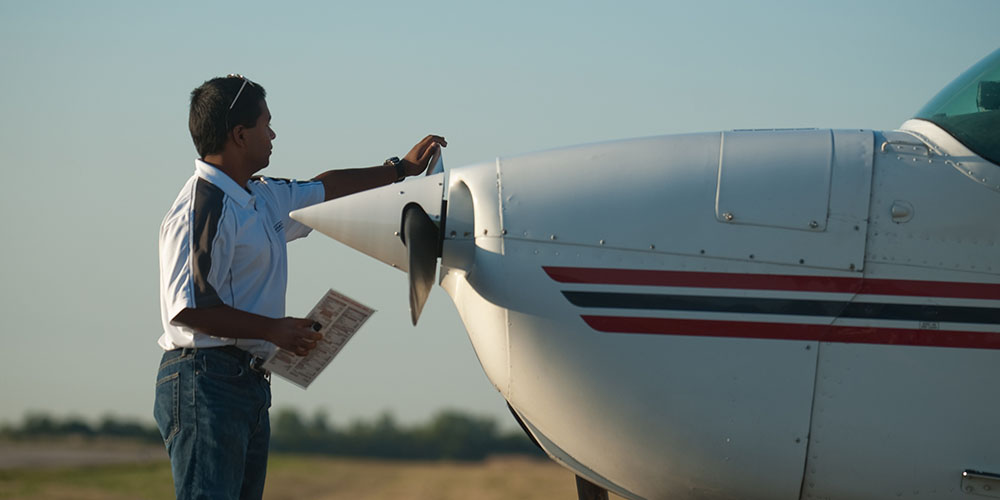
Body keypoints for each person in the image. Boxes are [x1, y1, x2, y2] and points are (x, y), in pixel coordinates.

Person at [154, 74, 446, 499]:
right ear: (239, 135)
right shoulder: (202, 207)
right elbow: (187, 309)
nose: (273, 134)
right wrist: (274, 330)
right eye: (266, 123)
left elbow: (325, 189)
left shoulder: (261, 195)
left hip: (245, 383)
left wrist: (400, 171)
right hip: (205, 381)